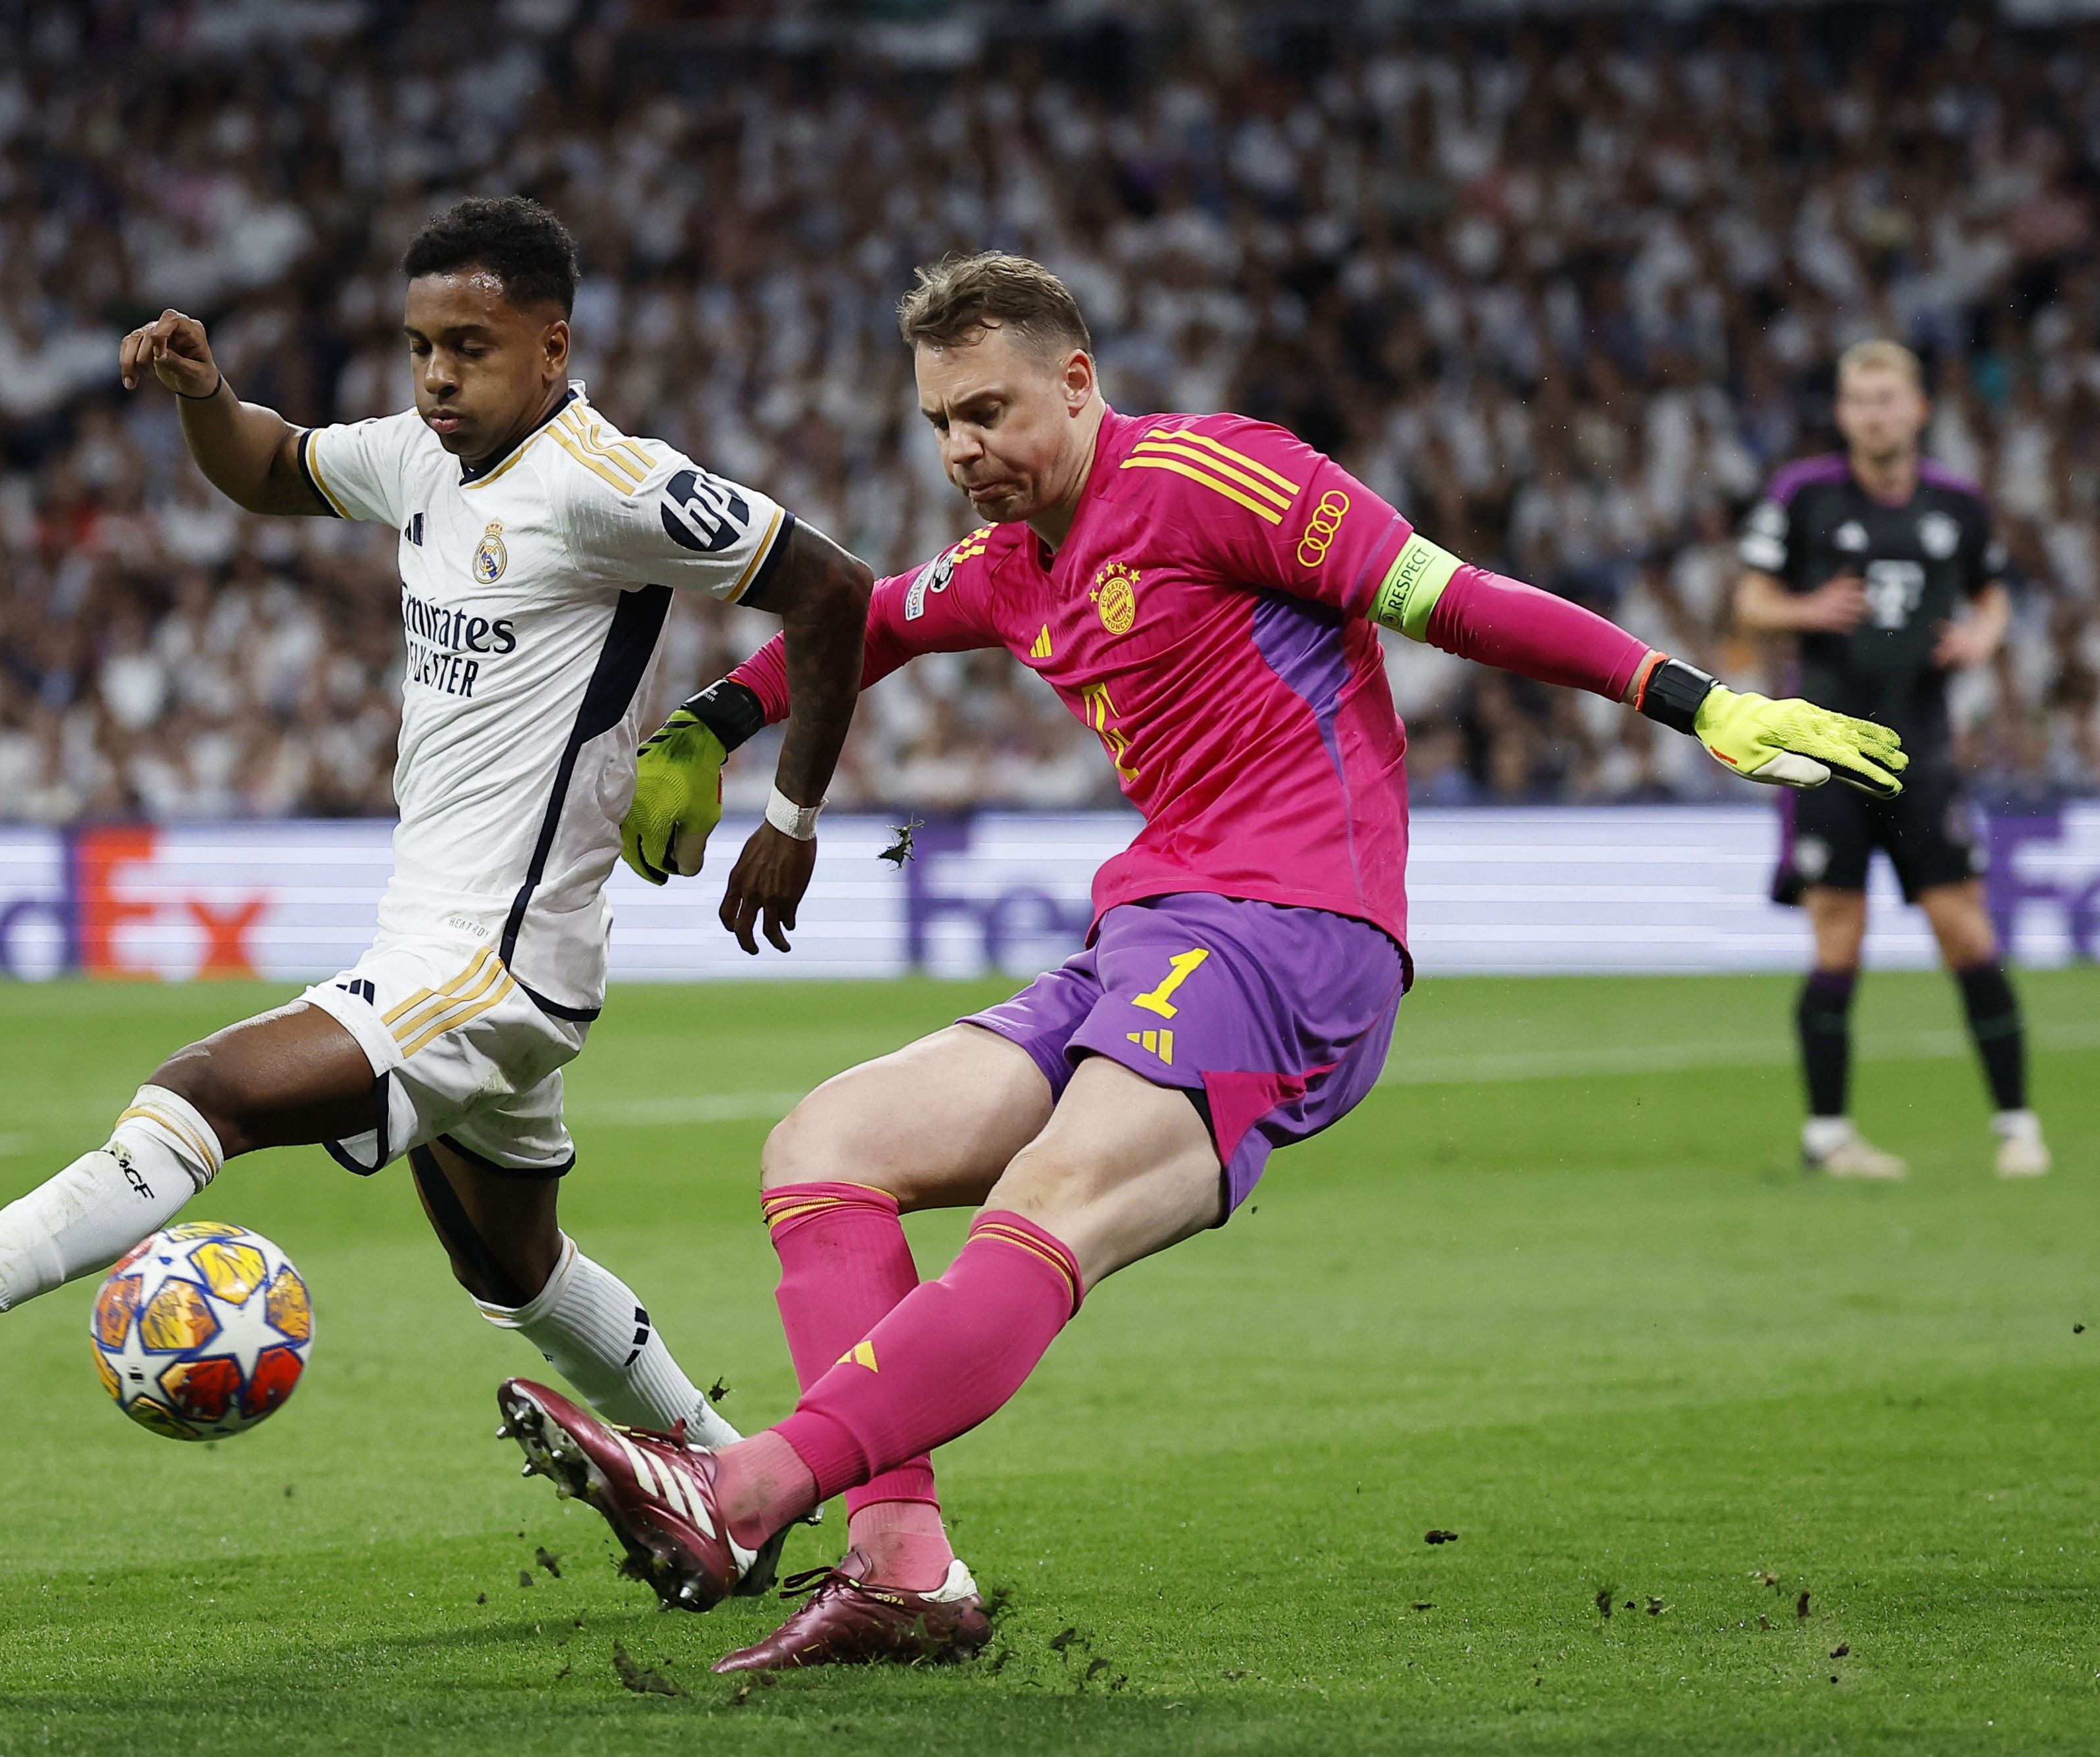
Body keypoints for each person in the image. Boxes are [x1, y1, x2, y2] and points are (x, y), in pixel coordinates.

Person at [495, 251, 1904, 1664]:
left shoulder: (1215, 480)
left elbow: (1454, 598)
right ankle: (901, 1570)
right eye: (937, 424)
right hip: (1155, 931)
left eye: (987, 411)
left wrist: (1696, 701)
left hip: (1296, 932)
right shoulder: (1012, 563)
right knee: (823, 1146)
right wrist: (716, 721)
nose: (961, 450)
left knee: (1051, 1200)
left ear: (1077, 379)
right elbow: (860, 620)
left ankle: (737, 1494)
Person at [0, 199, 869, 1578]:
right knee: (516, 1272)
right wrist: (206, 394)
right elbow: (274, 468)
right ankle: (743, 1493)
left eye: (468, 347)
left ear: (552, 344)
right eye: (417, 346)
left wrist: (790, 807)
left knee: (202, 1092)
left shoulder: (613, 481)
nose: (434, 377)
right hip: (444, 945)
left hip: (495, 963)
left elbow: (837, 588)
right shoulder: (420, 456)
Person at [1734, 340, 2048, 1180]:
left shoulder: (1958, 503)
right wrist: (1806, 607)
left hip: (1924, 751)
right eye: (1858, 400)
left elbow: (1991, 590)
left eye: (1887, 398)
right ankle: (1827, 1138)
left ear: (1917, 409)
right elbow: (1749, 601)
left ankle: (2017, 1126)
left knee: (1963, 927)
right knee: (1838, 937)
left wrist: (1984, 632)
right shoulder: (1801, 495)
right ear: (1841, 415)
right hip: (1823, 752)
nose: (1873, 413)